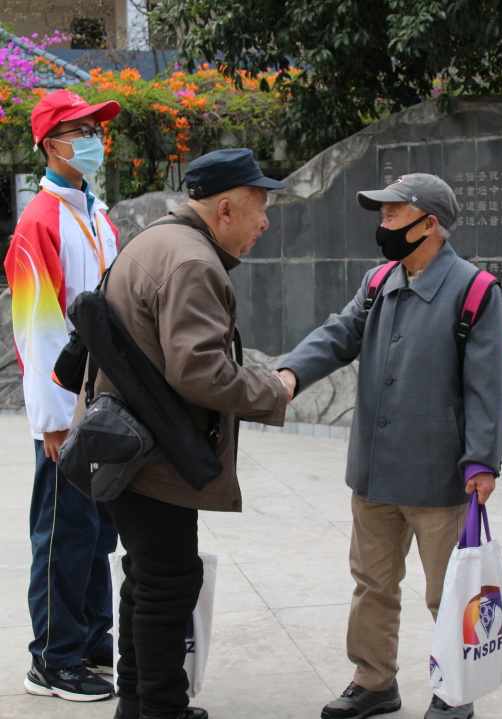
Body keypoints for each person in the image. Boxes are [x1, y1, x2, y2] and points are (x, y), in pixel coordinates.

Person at [277, 173, 502, 719]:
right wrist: (289, 374)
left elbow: (488, 385)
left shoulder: (476, 290)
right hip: (374, 472)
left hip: (438, 474)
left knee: (447, 591)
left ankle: (455, 690)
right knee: (372, 583)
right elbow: (339, 333)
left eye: (392, 214)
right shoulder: (380, 280)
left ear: (429, 224)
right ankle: (374, 680)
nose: (382, 223)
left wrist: (482, 460)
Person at [93, 148, 290, 719]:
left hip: (129, 444)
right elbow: (199, 370)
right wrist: (273, 390)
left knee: (147, 578)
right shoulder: (192, 261)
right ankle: (162, 709)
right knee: (168, 584)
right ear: (225, 209)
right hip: (154, 455)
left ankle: (137, 704)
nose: (265, 223)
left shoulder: (156, 239)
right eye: (259, 208)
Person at [4, 89, 122, 702]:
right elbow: (37, 328)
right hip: (67, 410)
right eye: (82, 131)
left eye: (97, 130)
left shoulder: (97, 214)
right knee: (63, 531)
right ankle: (52, 659)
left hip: (104, 402)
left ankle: (92, 643)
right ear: (52, 144)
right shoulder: (39, 221)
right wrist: (52, 420)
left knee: (98, 531)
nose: (96, 140)